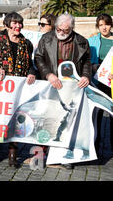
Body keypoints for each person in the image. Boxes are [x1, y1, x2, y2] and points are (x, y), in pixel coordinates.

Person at [35, 13, 92, 170]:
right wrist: (48, 74)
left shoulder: (81, 41)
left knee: (69, 122)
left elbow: (87, 61)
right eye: (58, 29)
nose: (61, 32)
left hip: (72, 88)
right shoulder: (46, 39)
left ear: (72, 28)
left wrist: (86, 75)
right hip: (51, 85)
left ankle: (66, 155)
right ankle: (41, 153)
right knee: (48, 119)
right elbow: (38, 58)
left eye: (65, 30)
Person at [0, 12, 37, 169]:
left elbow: (30, 64)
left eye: (20, 23)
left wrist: (31, 72)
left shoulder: (26, 43)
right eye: (15, 23)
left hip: (18, 89)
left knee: (16, 120)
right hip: (0, 88)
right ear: (7, 25)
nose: (18, 26)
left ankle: (12, 153)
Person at [88, 14, 113, 152]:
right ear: (98, 26)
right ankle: (94, 146)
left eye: (107, 24)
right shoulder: (92, 41)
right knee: (96, 115)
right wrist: (95, 67)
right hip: (98, 82)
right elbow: (87, 62)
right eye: (101, 24)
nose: (104, 27)